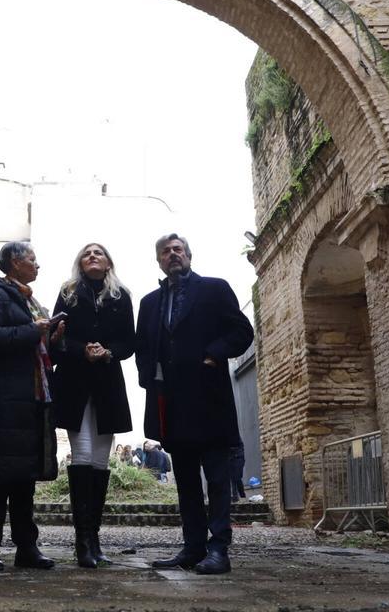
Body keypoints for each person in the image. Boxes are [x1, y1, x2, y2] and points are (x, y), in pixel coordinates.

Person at [136, 233, 253, 575]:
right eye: (165, 252)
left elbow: (242, 332)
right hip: (170, 404)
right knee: (185, 481)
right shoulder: (150, 302)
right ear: (158, 260)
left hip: (209, 399)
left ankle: (219, 550)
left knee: (217, 479)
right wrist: (148, 378)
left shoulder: (214, 289)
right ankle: (192, 547)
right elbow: (143, 347)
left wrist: (214, 353)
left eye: (178, 250)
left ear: (188, 255)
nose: (173, 255)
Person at [0, 241, 61, 571]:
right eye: (32, 259)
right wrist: (32, 330)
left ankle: (26, 548)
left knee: (24, 480)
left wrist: (51, 336)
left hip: (27, 402)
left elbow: (34, 346)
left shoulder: (28, 299)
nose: (37, 265)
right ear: (15, 263)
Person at [50, 242, 135, 568]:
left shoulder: (121, 296)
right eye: (86, 253)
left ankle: (95, 538)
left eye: (98, 253)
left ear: (108, 261)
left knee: (101, 459)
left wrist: (108, 350)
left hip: (108, 385)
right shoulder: (68, 293)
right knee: (82, 454)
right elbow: (55, 339)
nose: (92, 257)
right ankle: (82, 541)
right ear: (80, 263)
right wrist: (81, 349)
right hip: (74, 383)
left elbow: (130, 340)